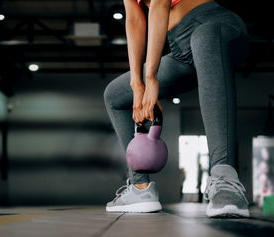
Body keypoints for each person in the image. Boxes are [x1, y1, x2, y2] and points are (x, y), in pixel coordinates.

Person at [104, 0, 250, 217]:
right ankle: (140, 188)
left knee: (205, 38)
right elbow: (134, 19)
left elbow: (160, 4)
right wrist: (137, 85)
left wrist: (151, 78)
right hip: (181, 46)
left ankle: (225, 180)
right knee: (115, 95)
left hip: (216, 26)